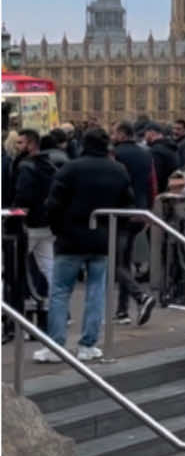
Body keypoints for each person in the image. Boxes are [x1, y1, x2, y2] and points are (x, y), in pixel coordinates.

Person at [40, 127, 135, 363]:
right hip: (102, 238)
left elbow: (53, 204)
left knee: (61, 292)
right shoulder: (118, 170)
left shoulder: (71, 168)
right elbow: (127, 203)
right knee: (96, 292)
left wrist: (57, 230)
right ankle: (88, 345)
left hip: (70, 239)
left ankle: (56, 346)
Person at [111, 122, 156, 326]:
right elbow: (151, 184)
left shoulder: (114, 154)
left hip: (119, 212)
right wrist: (148, 210)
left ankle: (140, 297)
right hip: (140, 212)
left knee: (115, 263)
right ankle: (122, 311)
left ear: (121, 134)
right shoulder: (146, 154)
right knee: (125, 261)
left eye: (114, 132)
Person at [12, 129, 57, 327]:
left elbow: (23, 195)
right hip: (47, 223)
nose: (17, 146)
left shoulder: (25, 166)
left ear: (31, 144)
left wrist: (16, 212)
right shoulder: (49, 165)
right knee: (49, 266)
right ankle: (58, 307)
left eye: (21, 143)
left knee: (13, 265)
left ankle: (16, 311)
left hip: (28, 224)